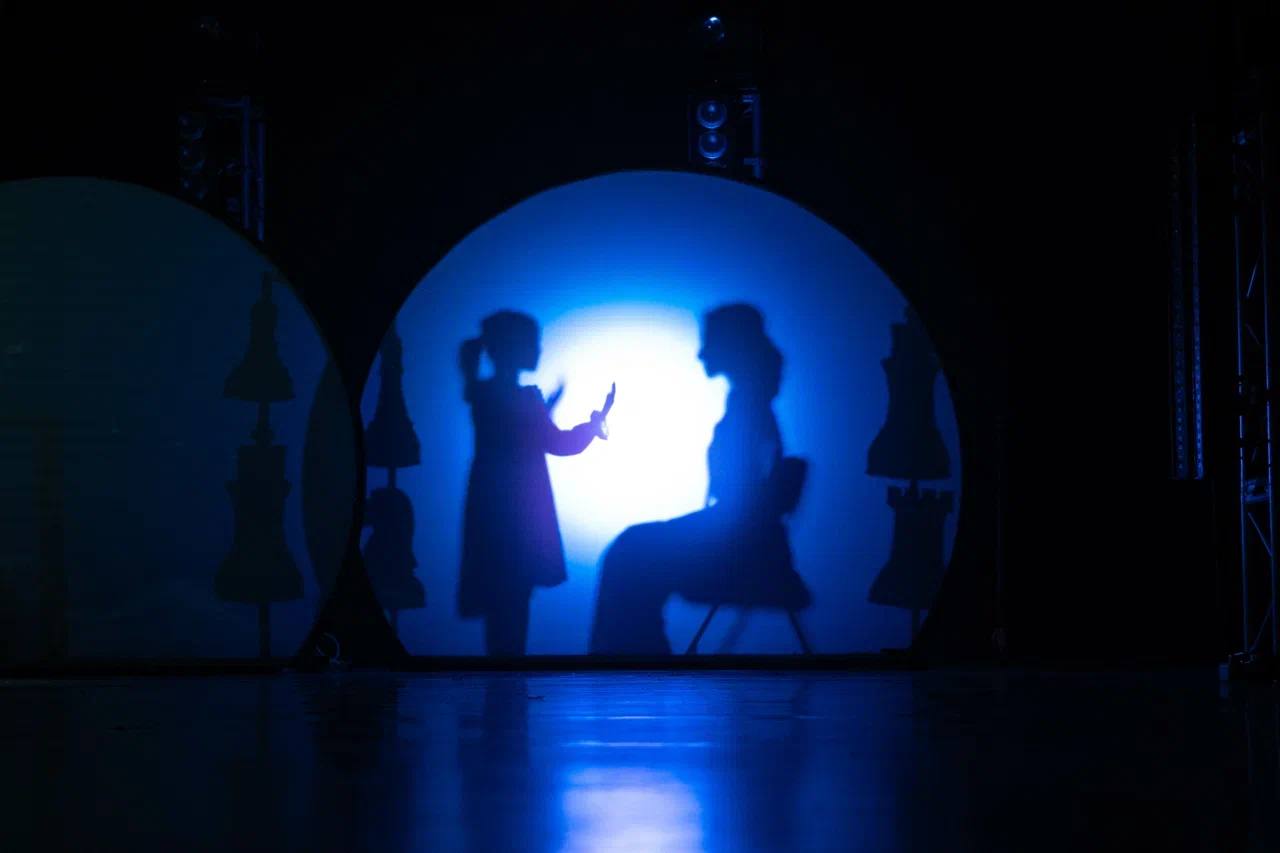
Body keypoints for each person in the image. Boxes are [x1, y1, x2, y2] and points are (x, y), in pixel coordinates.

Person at [589, 303, 809, 654]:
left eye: (710, 342)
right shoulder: (749, 405)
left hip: (738, 541)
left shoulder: (748, 409)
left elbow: (748, 497)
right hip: (739, 532)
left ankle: (634, 659)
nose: (702, 353)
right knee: (633, 546)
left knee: (632, 550)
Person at [457, 310, 614, 656]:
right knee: (513, 596)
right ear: (513, 347)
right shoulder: (518, 398)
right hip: (520, 509)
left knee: (504, 598)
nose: (538, 349)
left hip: (492, 506)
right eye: (532, 342)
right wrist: (594, 423)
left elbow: (531, 435)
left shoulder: (486, 393)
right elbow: (555, 443)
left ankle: (503, 673)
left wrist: (548, 409)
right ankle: (508, 674)